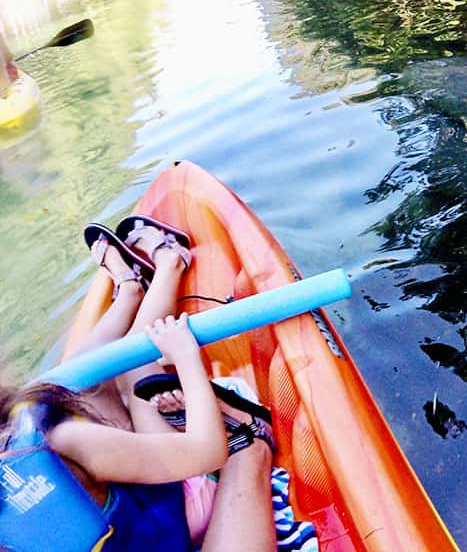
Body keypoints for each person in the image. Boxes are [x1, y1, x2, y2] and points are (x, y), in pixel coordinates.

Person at [0, 217, 277, 551]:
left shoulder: (49, 438)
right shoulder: (50, 439)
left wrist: (184, 357)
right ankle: (151, 276)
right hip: (162, 518)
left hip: (162, 515)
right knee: (131, 368)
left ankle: (137, 287)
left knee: (111, 369)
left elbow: (204, 451)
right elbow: (206, 452)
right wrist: (185, 358)